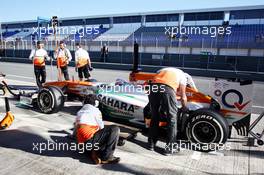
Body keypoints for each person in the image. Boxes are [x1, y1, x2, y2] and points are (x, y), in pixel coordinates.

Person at [147, 67, 188, 155]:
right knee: (172, 118)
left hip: (152, 87)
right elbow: (183, 96)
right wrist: (184, 108)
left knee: (155, 116)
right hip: (167, 88)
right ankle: (170, 148)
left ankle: (151, 144)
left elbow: (158, 84)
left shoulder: (162, 70)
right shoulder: (183, 76)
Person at [74, 94, 120, 164]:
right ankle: (107, 157)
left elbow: (75, 130)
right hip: (89, 142)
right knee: (114, 129)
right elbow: (101, 127)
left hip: (81, 145)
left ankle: (93, 152)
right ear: (96, 103)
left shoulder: (79, 112)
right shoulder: (96, 111)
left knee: (96, 133)